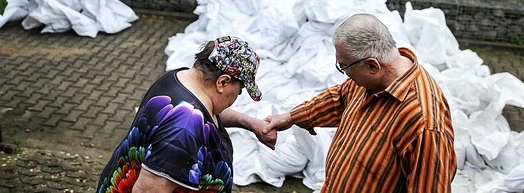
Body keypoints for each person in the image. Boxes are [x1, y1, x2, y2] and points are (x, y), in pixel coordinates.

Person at [264, 13, 456, 192]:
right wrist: (291, 117)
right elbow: (340, 97)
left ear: (373, 65)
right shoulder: (374, 79)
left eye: (343, 66)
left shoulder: (424, 124)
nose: (343, 72)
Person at [97, 36, 276, 193]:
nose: (238, 96)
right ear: (222, 82)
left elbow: (208, 112)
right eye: (240, 89)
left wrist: (251, 123)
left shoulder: (181, 80)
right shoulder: (183, 130)